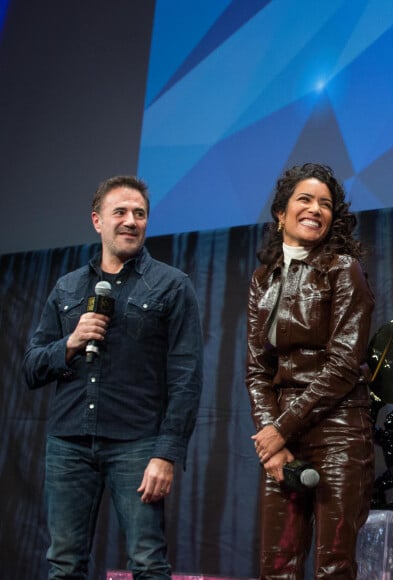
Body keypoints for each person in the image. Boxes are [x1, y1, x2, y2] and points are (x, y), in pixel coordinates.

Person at [23, 175, 203, 579]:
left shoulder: (172, 285)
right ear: (97, 221)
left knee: (147, 562)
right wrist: (70, 342)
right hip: (68, 442)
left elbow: (187, 377)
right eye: (119, 211)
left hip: (137, 444)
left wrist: (166, 454)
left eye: (139, 214)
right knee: (64, 564)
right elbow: (31, 367)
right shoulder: (68, 287)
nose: (130, 221)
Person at [246, 163, 375, 579]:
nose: (316, 209)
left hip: (338, 431)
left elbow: (343, 364)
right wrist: (274, 441)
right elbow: (256, 370)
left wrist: (279, 429)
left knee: (333, 568)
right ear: (280, 213)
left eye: (326, 204)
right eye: (305, 199)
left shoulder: (343, 269)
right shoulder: (263, 279)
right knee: (276, 566)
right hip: (283, 437)